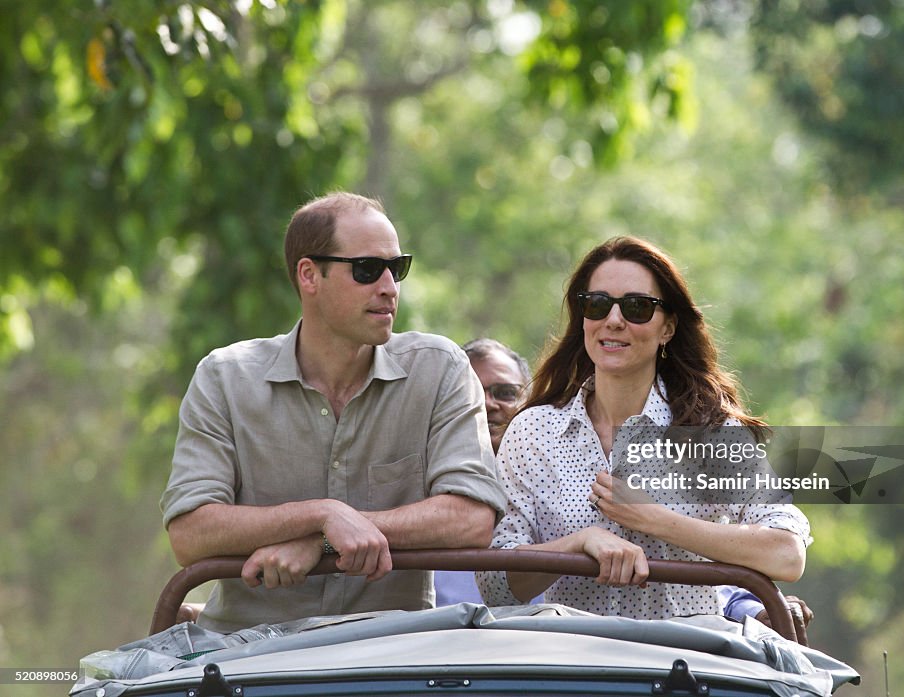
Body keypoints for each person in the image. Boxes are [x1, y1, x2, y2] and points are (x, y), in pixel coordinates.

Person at [160, 192, 506, 633]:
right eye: (366, 269)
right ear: (309, 275)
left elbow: (472, 517)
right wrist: (319, 515)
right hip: (246, 659)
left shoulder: (440, 368)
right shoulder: (224, 378)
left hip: (395, 656)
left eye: (396, 268)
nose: (389, 287)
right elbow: (190, 535)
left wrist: (321, 541)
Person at [477, 236, 811, 620]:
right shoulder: (532, 432)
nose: (614, 320)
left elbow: (787, 555)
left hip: (687, 668)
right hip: (571, 667)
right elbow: (495, 586)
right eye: (597, 304)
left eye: (637, 307)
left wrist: (652, 518)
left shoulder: (709, 431)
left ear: (667, 328)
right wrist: (579, 545)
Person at [434, 338, 531, 606]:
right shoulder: (415, 485)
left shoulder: (555, 482)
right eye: (471, 391)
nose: (487, 403)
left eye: (506, 392)